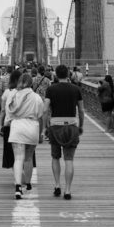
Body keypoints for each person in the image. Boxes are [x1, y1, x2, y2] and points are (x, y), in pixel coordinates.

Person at [3, 67, 45, 199]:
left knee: (18, 158)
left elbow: (9, 112)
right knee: (28, 158)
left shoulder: (13, 95)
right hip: (32, 127)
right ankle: (28, 184)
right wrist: (41, 133)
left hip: (17, 127)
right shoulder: (36, 97)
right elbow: (40, 115)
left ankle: (17, 187)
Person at [44, 64, 83, 200]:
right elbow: (81, 111)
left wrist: (45, 126)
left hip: (55, 126)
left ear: (55, 75)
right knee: (69, 160)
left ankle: (57, 185)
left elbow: (45, 110)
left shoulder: (51, 89)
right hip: (72, 126)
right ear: (69, 74)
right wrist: (81, 126)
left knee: (55, 157)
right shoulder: (76, 89)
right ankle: (67, 190)